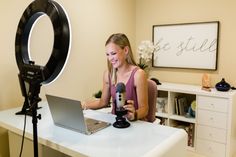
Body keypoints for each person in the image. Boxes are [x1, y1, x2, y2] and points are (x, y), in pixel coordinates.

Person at [82, 33, 148, 121]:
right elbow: (103, 102)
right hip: (115, 123)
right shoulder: (108, 74)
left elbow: (144, 109)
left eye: (113, 53)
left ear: (125, 50)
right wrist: (83, 105)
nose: (110, 58)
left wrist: (134, 114)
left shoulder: (138, 75)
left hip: (135, 124)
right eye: (107, 54)